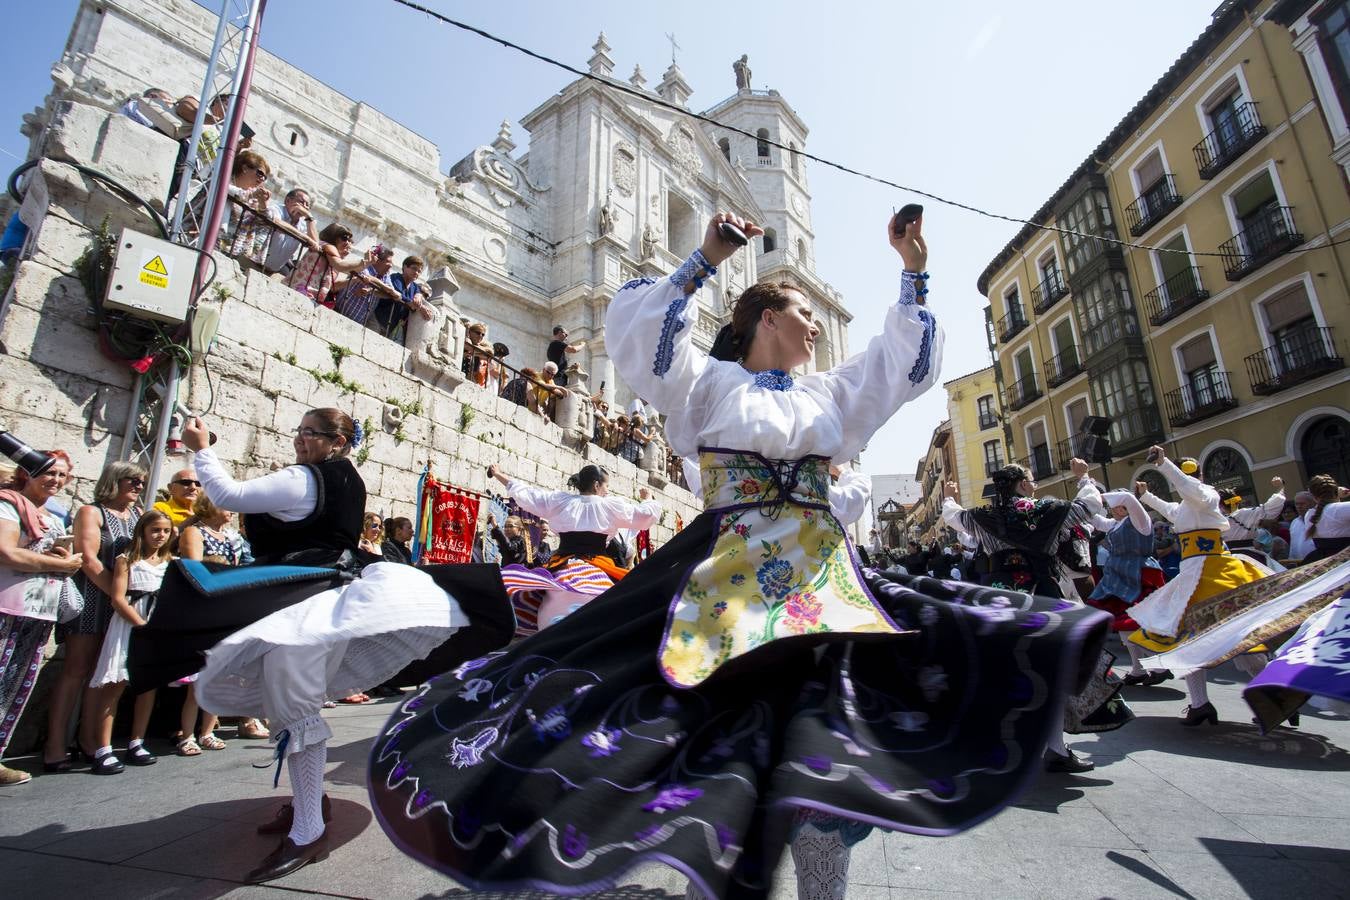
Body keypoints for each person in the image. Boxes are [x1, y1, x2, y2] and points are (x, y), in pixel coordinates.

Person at [371, 212, 1113, 900]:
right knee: (720, 754)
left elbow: (901, 366)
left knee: (827, 750)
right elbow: (642, 340)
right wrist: (705, 260)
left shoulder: (834, 393)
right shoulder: (708, 382)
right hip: (725, 587)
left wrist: (912, 271)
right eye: (800, 312)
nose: (815, 324)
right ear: (764, 318)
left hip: (825, 589)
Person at [128, 408, 512, 884]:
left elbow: (229, 495)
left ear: (336, 441)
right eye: (300, 430)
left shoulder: (306, 479)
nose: (299, 439)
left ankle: (309, 830)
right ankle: (307, 804)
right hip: (322, 595)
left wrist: (202, 448)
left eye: (309, 432)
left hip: (307, 601)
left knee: (297, 706)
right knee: (290, 704)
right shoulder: (345, 479)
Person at [940, 464, 1125, 771]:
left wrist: (949, 496)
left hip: (1002, 602)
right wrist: (1083, 478)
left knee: (1005, 670)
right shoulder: (1046, 510)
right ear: (1022, 485)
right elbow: (1089, 505)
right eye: (1031, 480)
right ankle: (1054, 748)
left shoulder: (982, 517)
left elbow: (953, 517)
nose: (1035, 484)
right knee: (1053, 671)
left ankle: (1004, 742)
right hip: (1043, 598)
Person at [1128, 451, 1276, 725]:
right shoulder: (1188, 506)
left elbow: (1188, 488)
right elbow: (1171, 510)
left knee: (1242, 639)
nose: (1184, 481)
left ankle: (1274, 698)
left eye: (1188, 475)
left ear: (1198, 476)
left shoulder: (1206, 495)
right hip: (1192, 573)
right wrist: (1146, 496)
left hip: (1216, 572)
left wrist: (1164, 465)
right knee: (1188, 641)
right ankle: (1200, 704)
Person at [43, 461, 145, 773]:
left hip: (118, 603)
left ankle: (90, 741)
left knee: (102, 674)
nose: (138, 486)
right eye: (132, 480)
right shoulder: (92, 512)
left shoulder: (138, 516)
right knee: (76, 670)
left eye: (141, 482)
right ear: (115, 480)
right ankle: (54, 746)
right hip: (91, 598)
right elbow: (88, 558)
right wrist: (116, 593)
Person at [486, 463, 660, 635]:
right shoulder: (609, 506)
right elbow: (643, 516)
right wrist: (648, 499)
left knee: (538, 593)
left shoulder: (560, 501)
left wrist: (499, 474)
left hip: (561, 563)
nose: (607, 491)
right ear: (597, 485)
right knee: (627, 596)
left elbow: (528, 494)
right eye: (606, 486)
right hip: (598, 563)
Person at [0, 451, 83, 785]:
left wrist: (59, 557)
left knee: (15, 687)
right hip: (8, 606)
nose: (56, 480)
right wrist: (60, 565)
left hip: (39, 610)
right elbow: (5, 552)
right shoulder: (8, 505)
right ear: (28, 473)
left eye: (62, 475)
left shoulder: (52, 515)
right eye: (49, 472)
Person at [87, 508, 174, 771]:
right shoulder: (128, 559)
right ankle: (103, 747)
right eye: (155, 530)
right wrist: (140, 624)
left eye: (166, 531)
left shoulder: (171, 562)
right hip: (130, 622)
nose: (160, 535)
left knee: (147, 686)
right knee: (116, 683)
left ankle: (137, 741)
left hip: (156, 624)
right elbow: (117, 598)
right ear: (143, 532)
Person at [174, 494, 255, 752]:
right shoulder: (195, 533)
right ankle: (187, 734)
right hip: (205, 606)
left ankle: (207, 731)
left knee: (218, 674)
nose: (230, 510)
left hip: (226, 605)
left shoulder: (231, 537)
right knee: (197, 676)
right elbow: (196, 569)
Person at [1085, 491, 1170, 686]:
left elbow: (1130, 499)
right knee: (1123, 626)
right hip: (1118, 578)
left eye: (1118, 505)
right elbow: (1095, 519)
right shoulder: (1115, 525)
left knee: (1132, 623)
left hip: (1138, 576)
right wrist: (1085, 486)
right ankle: (1139, 669)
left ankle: (1161, 665)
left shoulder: (1140, 521)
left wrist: (1101, 496)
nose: (1114, 508)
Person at [288, 224, 373, 308]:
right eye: (344, 238)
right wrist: (364, 262)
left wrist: (361, 272)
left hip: (305, 293)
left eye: (349, 239)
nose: (347, 242)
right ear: (334, 236)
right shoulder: (328, 246)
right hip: (301, 290)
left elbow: (341, 272)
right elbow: (340, 265)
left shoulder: (329, 252)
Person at [332, 246, 402, 329]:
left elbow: (396, 295)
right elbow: (366, 276)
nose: (390, 266)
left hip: (358, 323)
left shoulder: (385, 276)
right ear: (377, 260)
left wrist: (373, 290)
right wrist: (385, 287)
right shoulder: (365, 267)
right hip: (339, 312)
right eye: (388, 262)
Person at [263, 188, 320, 278]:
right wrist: (306, 238)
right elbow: (276, 222)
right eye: (301, 202)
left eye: (307, 205)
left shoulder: (303, 223)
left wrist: (309, 217)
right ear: (288, 200)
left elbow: (315, 244)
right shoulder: (277, 209)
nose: (304, 207)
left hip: (273, 272)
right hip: (253, 262)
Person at [377, 255, 435, 343]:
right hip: (378, 319)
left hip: (391, 326)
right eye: (414, 268)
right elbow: (399, 295)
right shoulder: (395, 277)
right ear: (404, 266)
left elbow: (418, 294)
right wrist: (421, 307)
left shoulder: (415, 287)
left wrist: (418, 295)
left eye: (419, 271)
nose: (416, 273)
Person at [1300, 475, 1350, 563]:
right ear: (1335, 491)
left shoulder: (1309, 514)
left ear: (1313, 495)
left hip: (1325, 564)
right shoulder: (1343, 508)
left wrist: (1335, 494)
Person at [1287, 490, 1317, 562]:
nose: (1299, 507)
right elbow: (1293, 545)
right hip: (1300, 563)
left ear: (1312, 503)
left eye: (1302, 504)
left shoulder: (1319, 520)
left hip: (1318, 561)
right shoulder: (1294, 522)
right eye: (1297, 504)